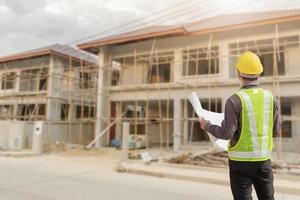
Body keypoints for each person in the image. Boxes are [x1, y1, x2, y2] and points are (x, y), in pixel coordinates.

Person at [200, 51, 279, 200]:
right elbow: (275, 130)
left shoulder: (234, 100)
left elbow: (226, 133)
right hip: (264, 162)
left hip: (240, 164)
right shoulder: (271, 98)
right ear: (259, 73)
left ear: (238, 73)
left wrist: (207, 125)